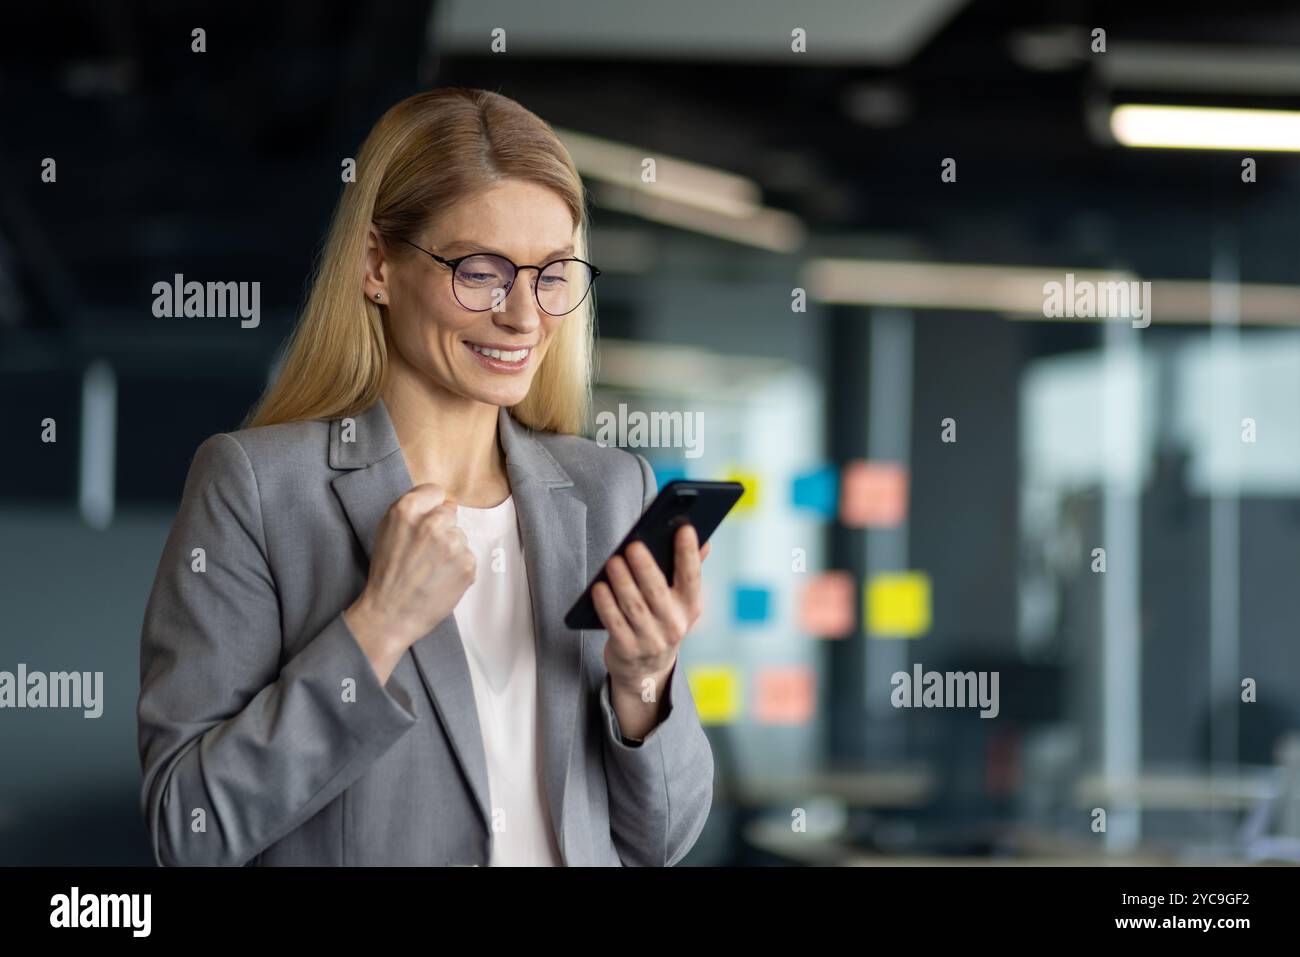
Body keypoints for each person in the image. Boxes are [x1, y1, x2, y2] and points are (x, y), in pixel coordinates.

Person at [136, 87, 714, 867]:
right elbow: (188, 831)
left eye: (551, 274)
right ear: (377, 264)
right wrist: (376, 627)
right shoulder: (258, 488)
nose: (525, 317)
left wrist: (645, 685)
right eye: (481, 271)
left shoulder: (611, 491)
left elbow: (665, 842)